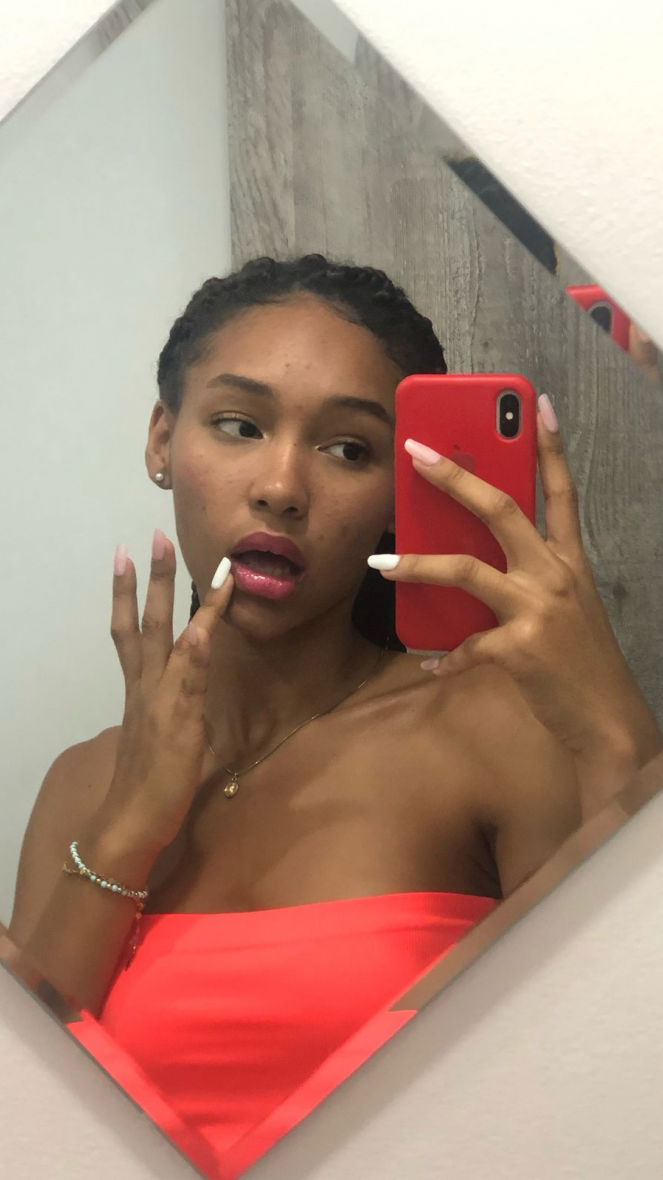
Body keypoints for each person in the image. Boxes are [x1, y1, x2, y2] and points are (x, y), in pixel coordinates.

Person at [9, 255, 662, 1177]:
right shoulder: (81, 784)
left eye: (349, 450)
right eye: (239, 426)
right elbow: (25, 1118)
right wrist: (126, 830)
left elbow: (624, 1073)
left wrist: (613, 729)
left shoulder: (488, 727)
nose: (281, 486)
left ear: (400, 493)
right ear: (162, 440)